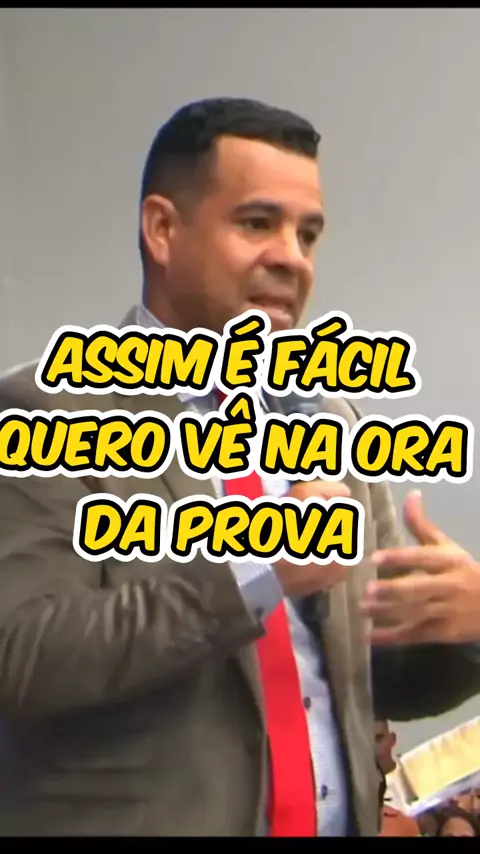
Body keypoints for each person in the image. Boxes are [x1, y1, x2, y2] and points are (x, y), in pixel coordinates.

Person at [0, 97, 479, 837]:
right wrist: (255, 571)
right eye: (258, 223)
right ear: (163, 230)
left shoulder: (330, 421)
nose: (293, 257)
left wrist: (462, 627)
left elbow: (371, 683)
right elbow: (23, 659)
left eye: (308, 234)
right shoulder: (44, 409)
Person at [374, 719, 420, 836]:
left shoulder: (415, 774)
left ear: (392, 739)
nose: (374, 749)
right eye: (367, 742)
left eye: (379, 739)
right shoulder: (356, 786)